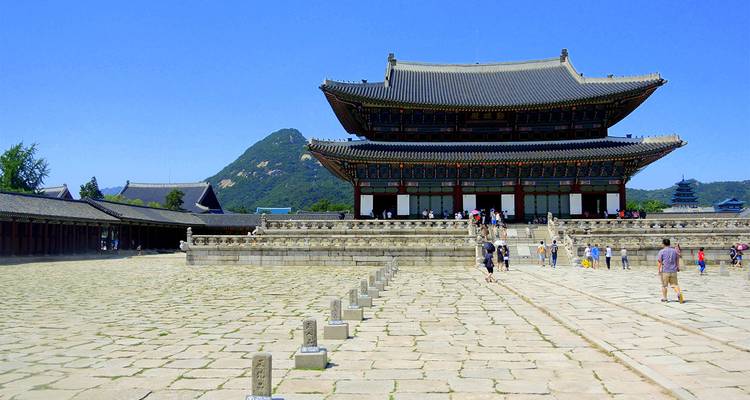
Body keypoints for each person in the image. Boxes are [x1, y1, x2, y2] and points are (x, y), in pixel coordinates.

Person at [658, 238, 684, 303]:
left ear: (663, 244)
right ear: (669, 243)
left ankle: (665, 298)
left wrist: (659, 270)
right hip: (673, 270)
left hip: (665, 271)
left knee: (664, 285)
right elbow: (677, 260)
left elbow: (659, 261)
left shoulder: (662, 251)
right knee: (674, 284)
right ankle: (678, 293)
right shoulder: (675, 251)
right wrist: (678, 267)